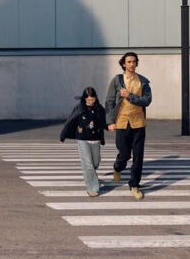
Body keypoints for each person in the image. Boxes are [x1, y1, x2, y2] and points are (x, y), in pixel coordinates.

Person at [105, 51, 152, 200]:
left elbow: (146, 101)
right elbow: (109, 101)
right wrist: (110, 122)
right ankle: (117, 167)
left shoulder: (143, 81)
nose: (132, 64)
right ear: (123, 64)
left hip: (138, 123)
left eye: (134, 61)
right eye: (129, 62)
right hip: (121, 122)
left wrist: (129, 96)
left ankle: (134, 185)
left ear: (136, 63)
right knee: (124, 154)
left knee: (138, 157)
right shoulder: (117, 80)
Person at [60, 86, 107, 197]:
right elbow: (70, 121)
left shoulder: (99, 108)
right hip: (83, 139)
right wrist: (63, 135)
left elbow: (104, 121)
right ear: (84, 98)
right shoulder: (79, 108)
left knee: (95, 163)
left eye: (93, 99)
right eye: (88, 99)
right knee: (89, 165)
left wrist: (109, 127)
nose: (91, 101)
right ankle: (92, 188)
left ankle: (91, 178)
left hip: (95, 140)